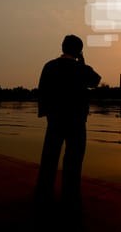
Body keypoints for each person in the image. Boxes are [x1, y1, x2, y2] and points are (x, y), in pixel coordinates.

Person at [34, 35, 101, 223]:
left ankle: (44, 192)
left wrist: (46, 114)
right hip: (77, 121)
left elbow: (43, 91)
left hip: (55, 119)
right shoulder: (82, 69)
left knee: (49, 157)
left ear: (62, 47)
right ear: (79, 51)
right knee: (74, 159)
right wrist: (83, 61)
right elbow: (95, 81)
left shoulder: (49, 66)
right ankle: (70, 194)